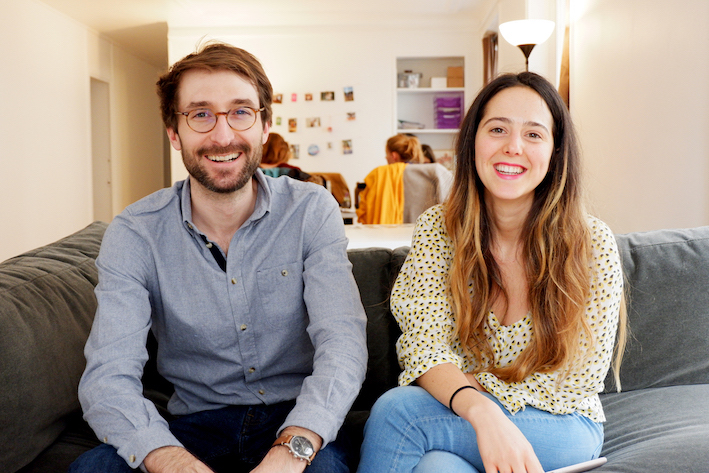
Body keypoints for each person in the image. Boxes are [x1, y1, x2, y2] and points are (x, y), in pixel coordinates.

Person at [69, 42, 367, 473]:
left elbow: (342, 343)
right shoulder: (135, 232)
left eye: (241, 111)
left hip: (295, 418)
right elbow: (106, 379)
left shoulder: (311, 210)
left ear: (265, 125)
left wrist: (293, 448)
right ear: (175, 132)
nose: (223, 135)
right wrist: (170, 460)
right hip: (193, 425)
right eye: (201, 114)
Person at [357, 72, 626, 473]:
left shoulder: (592, 242)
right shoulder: (438, 230)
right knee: (434, 466)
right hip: (466, 413)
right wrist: (481, 413)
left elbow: (578, 377)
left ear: (555, 151)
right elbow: (423, 348)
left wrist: (485, 407)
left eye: (534, 134)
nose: (512, 147)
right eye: (497, 129)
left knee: (400, 413)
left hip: (561, 422)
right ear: (473, 142)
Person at [356, 134, 450, 224]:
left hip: (387, 235)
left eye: (386, 154)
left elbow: (365, 210)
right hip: (428, 233)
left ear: (394, 155)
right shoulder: (433, 171)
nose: (386, 157)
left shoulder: (377, 174)